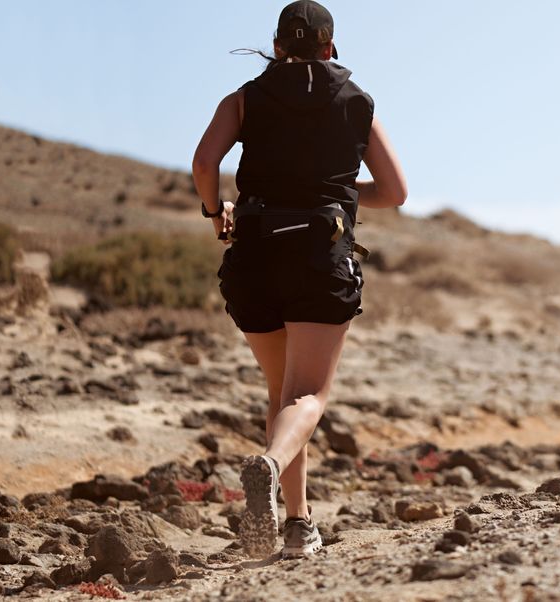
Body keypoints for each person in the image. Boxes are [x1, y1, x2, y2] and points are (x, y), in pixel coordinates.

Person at [191, 0, 407, 559]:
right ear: (330, 48)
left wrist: (219, 215)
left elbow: (202, 164)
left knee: (281, 392)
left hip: (254, 254)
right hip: (319, 255)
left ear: (278, 46)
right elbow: (396, 192)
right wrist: (331, 192)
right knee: (308, 395)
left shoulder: (244, 97)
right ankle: (269, 464)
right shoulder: (358, 100)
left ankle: (296, 524)